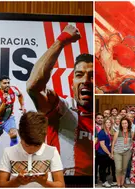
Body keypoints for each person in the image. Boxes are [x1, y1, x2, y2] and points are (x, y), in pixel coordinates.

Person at [26, 24, 93, 176]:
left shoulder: (105, 117)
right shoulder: (63, 109)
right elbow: (33, 86)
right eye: (79, 75)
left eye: (92, 76)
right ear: (72, 84)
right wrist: (62, 41)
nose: (86, 80)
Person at [0, 112, 65, 187]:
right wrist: (16, 182)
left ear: (45, 136)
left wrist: (44, 183)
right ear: (19, 134)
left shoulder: (52, 151)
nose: (32, 149)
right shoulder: (8, 152)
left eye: (37, 145)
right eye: (27, 145)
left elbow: (61, 186)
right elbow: (0, 185)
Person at [0, 75, 26, 164]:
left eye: (8, 83)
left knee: (14, 134)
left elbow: (20, 95)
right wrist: (4, 102)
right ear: (0, 84)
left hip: (9, 118)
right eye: (4, 83)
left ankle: (12, 158)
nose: (7, 85)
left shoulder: (13, 89)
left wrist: (22, 106)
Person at [112, 117, 133, 188]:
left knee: (124, 169)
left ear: (128, 124)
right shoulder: (117, 132)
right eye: (123, 123)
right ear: (121, 124)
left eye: (125, 123)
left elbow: (133, 142)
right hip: (117, 152)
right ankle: (118, 184)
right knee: (118, 168)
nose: (124, 125)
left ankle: (122, 184)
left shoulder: (131, 132)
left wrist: (131, 149)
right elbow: (113, 143)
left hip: (127, 153)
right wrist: (112, 153)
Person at [97, 118, 117, 188]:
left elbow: (112, 142)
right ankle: (104, 181)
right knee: (103, 168)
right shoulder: (101, 132)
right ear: (104, 124)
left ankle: (114, 180)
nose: (108, 124)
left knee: (112, 166)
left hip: (109, 152)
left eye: (109, 122)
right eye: (106, 122)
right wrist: (109, 153)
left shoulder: (110, 131)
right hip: (102, 153)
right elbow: (102, 145)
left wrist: (112, 152)